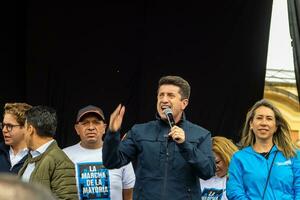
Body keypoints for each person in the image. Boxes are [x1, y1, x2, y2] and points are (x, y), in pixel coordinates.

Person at [103, 75, 216, 200]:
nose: (164, 100)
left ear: (184, 103)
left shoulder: (201, 134)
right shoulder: (139, 131)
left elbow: (208, 172)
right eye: (161, 95)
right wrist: (112, 133)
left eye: (170, 95)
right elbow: (111, 162)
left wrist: (185, 144)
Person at [226, 99, 300, 199]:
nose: (264, 123)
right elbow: (234, 192)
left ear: (276, 127)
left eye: (269, 119)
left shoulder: (293, 154)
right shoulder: (239, 158)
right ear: (251, 124)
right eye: (259, 118)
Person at [63, 105, 135, 200]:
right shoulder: (64, 155)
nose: (91, 127)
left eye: (96, 123)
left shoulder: (120, 154)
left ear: (104, 128)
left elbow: (129, 194)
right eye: (85, 123)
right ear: (77, 129)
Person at [18, 105, 78, 200]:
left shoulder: (60, 161)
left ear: (30, 129)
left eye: (24, 128)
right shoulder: (30, 159)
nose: (23, 133)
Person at [0, 102, 32, 173]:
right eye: (3, 125)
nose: (4, 130)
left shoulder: (37, 157)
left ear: (26, 127)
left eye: (10, 126)